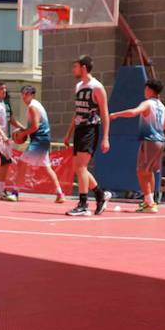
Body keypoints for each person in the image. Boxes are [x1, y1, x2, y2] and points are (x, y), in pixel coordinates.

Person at [109, 78, 165, 213]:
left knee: (141, 171)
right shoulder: (161, 105)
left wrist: (116, 114)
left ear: (149, 89)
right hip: (161, 141)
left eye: (145, 88)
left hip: (150, 140)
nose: (144, 91)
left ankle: (150, 203)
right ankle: (149, 201)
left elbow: (133, 112)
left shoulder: (148, 103)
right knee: (149, 172)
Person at [64, 55, 110, 216]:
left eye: (75, 66)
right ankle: (100, 194)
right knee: (78, 168)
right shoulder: (78, 86)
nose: (73, 70)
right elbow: (77, 112)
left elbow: (105, 113)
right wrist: (69, 133)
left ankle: (83, 204)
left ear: (83, 67)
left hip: (91, 129)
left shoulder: (97, 87)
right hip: (79, 129)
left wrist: (106, 137)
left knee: (82, 167)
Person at [16, 85, 66, 204]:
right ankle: (60, 193)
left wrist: (23, 134)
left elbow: (35, 127)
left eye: (27, 93)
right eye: (22, 93)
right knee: (47, 168)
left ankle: (14, 192)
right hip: (42, 140)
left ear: (32, 94)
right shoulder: (34, 104)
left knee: (21, 162)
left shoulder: (33, 106)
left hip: (39, 139)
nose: (24, 96)